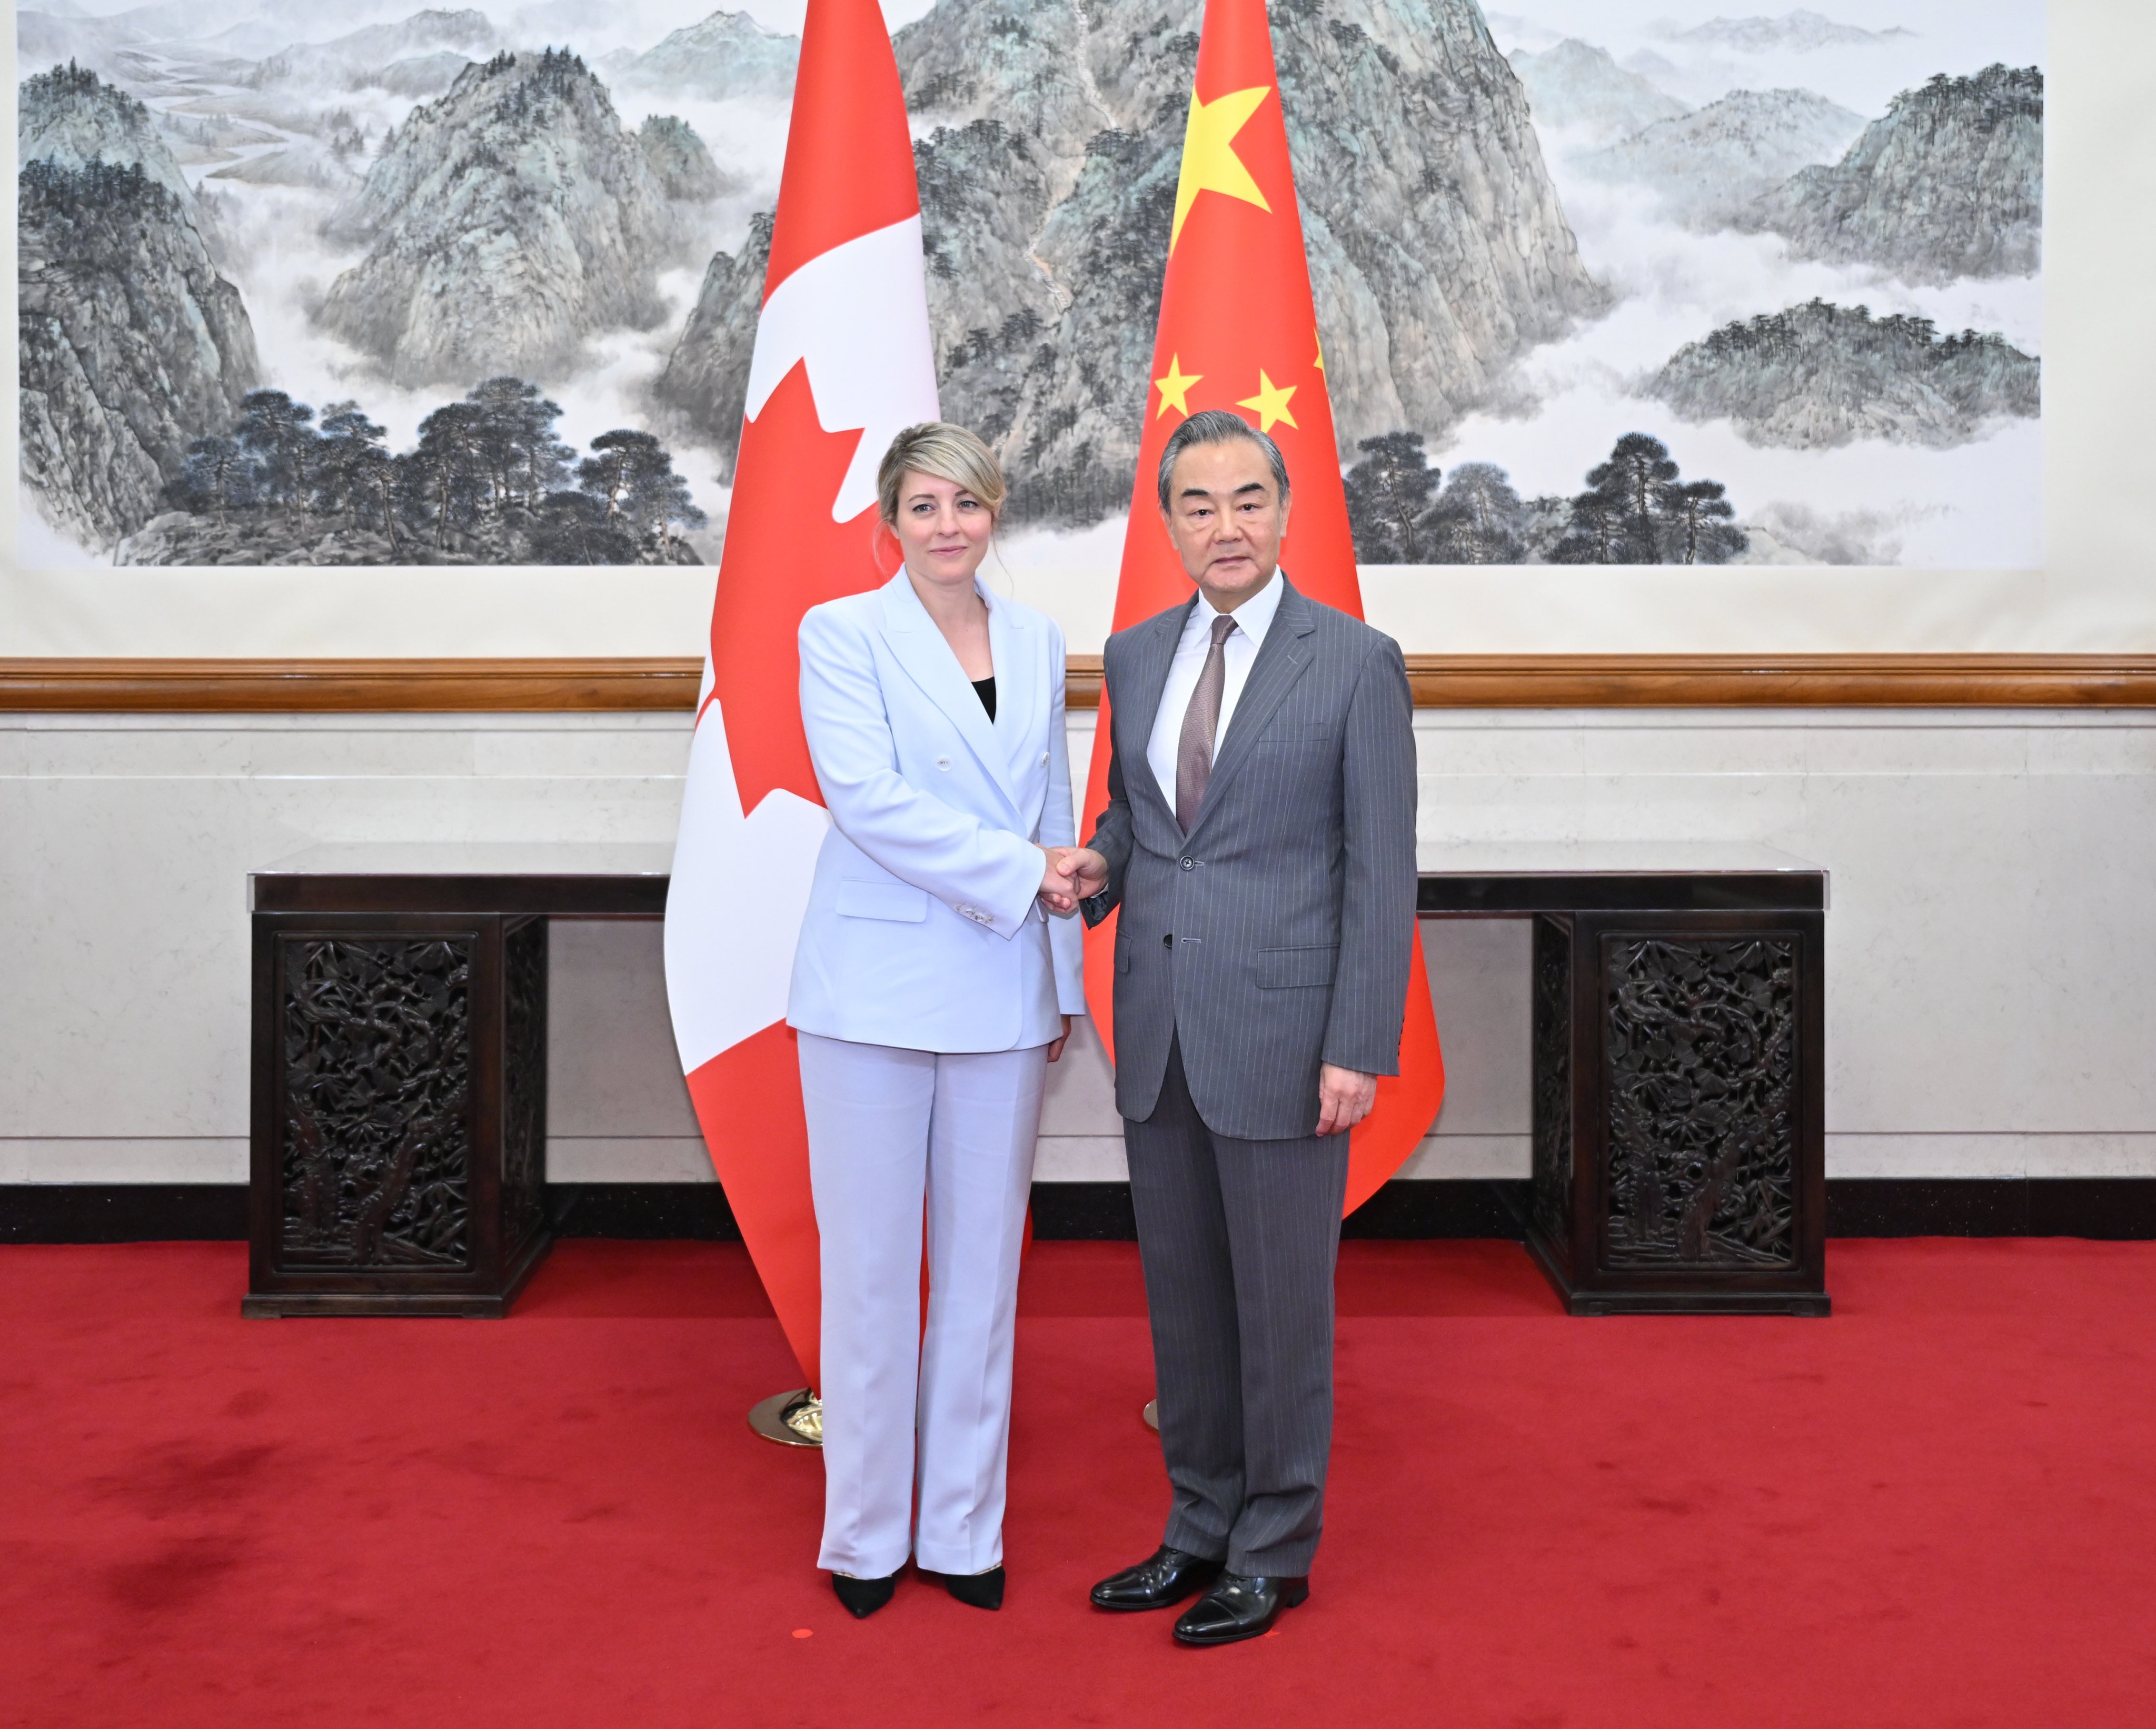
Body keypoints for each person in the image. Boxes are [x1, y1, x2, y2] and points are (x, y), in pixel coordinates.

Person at [1061, 409, 1417, 1645]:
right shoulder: (1134, 653)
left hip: (1284, 1035)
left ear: (1286, 509)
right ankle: (1195, 1525)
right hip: (1157, 1032)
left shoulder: (1353, 662)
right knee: (1185, 1305)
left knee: (1279, 1309)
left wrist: (1356, 1044)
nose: (1226, 526)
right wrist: (1091, 867)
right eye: (1198, 505)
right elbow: (1136, 817)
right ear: (1166, 524)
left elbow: (1380, 869)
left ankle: (1273, 1546)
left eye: (1248, 499)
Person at [787, 422, 1086, 1619]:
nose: (947, 525)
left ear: (994, 511)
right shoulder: (840, 633)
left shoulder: (1038, 637)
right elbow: (867, 802)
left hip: (1005, 986)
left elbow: (1054, 801)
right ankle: (862, 1538)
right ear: (888, 521)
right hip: (868, 994)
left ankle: (962, 1529)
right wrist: (1026, 874)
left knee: (980, 1277)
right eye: (923, 505)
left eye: (966, 502)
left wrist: (1060, 980)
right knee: (868, 1278)